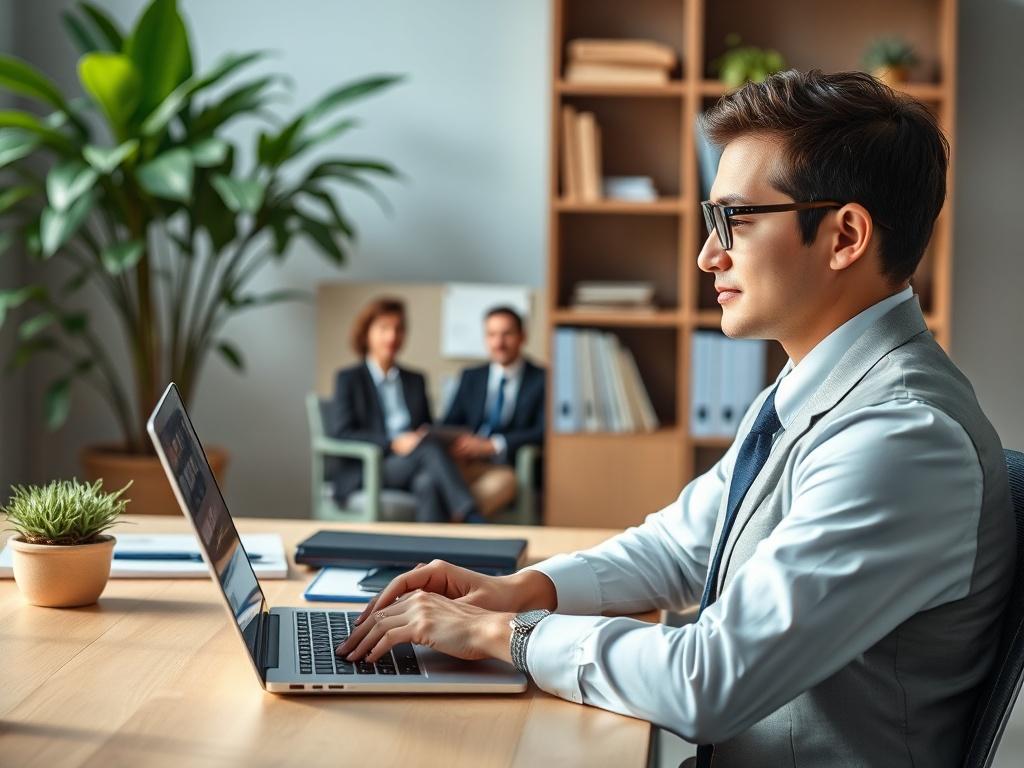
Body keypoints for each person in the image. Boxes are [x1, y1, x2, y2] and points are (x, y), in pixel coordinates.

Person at [334, 71, 1015, 766]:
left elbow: (707, 681)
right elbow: (682, 546)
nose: (706, 255)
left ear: (845, 236)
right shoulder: (816, 384)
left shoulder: (901, 441)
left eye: (735, 222)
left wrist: (507, 634)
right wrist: (523, 588)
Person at [327, 297, 482, 523]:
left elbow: (426, 426)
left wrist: (441, 437)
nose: (392, 336)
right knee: (429, 452)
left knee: (428, 482)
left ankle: (428, 556)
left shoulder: (415, 380)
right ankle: (472, 516)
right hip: (372, 466)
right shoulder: (349, 379)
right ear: (366, 333)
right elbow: (342, 431)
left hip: (414, 461)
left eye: (399, 329)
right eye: (384, 328)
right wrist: (393, 442)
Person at [441, 306, 545, 517]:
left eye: (507, 334)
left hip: (506, 467)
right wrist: (462, 443)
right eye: (491, 335)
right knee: (429, 478)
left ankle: (453, 524)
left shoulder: (542, 379)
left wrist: (492, 445)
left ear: (522, 336)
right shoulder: (471, 376)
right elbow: (449, 422)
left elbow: (542, 432)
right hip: (466, 463)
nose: (499, 343)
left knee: (503, 483)